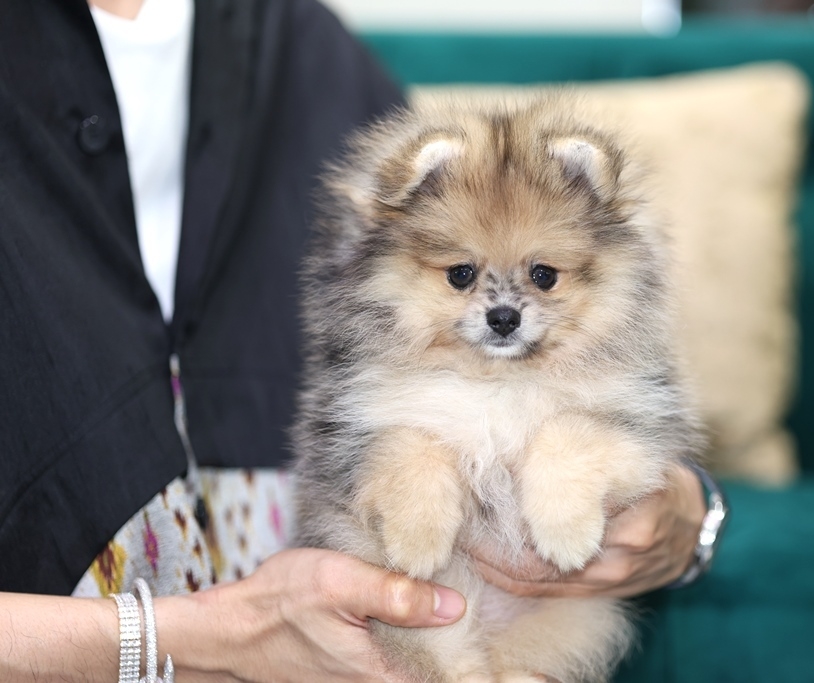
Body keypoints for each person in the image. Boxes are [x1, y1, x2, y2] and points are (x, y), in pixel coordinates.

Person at [0, 0, 710, 680]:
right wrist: (184, 645)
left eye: (543, 277)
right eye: (463, 276)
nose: (502, 308)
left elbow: (643, 439)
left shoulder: (307, 48)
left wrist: (689, 518)